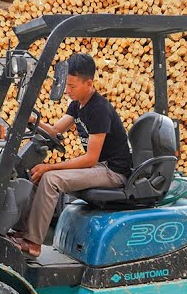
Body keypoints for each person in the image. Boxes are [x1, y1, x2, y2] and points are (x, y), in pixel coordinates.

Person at [12, 53, 133, 258]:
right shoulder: (77, 104)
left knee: (50, 178)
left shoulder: (99, 109)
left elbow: (90, 159)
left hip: (112, 171)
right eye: (66, 85)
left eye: (72, 86)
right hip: (98, 167)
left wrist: (49, 167)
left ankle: (33, 244)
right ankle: (21, 232)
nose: (67, 91)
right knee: (36, 174)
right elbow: (56, 130)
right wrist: (32, 120)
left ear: (89, 83)